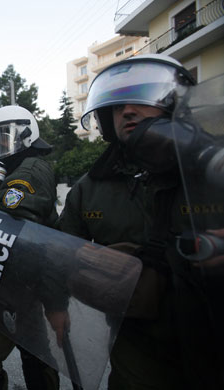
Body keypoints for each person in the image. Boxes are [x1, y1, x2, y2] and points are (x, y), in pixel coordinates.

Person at [57, 54, 223, 389]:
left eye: (140, 99)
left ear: (176, 104)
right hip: (137, 344)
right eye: (117, 107)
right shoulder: (89, 189)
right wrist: (62, 295)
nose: (127, 111)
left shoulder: (214, 165)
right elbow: (58, 252)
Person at [0, 105, 69, 390]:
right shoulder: (14, 170)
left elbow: (19, 233)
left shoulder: (30, 170)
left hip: (17, 282)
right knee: (34, 351)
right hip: (16, 282)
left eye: (3, 137)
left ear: (25, 134)